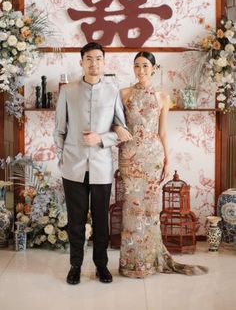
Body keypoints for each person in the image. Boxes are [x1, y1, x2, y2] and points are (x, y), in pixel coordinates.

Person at [115, 51, 208, 278]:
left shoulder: (162, 97)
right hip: (129, 155)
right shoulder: (123, 94)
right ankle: (131, 264)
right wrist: (118, 130)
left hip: (152, 156)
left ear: (154, 69)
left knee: (149, 210)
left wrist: (167, 159)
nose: (140, 70)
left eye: (145, 66)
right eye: (137, 66)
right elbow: (114, 123)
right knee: (131, 208)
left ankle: (149, 261)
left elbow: (163, 131)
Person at [53, 42, 132, 285]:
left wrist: (101, 139)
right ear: (81, 61)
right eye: (89, 58)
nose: (94, 63)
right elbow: (59, 131)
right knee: (75, 221)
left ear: (104, 62)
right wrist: (62, 158)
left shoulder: (113, 90)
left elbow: (122, 129)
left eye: (99, 58)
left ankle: (101, 266)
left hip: (101, 167)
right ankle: (75, 266)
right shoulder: (68, 91)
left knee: (100, 220)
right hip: (73, 167)